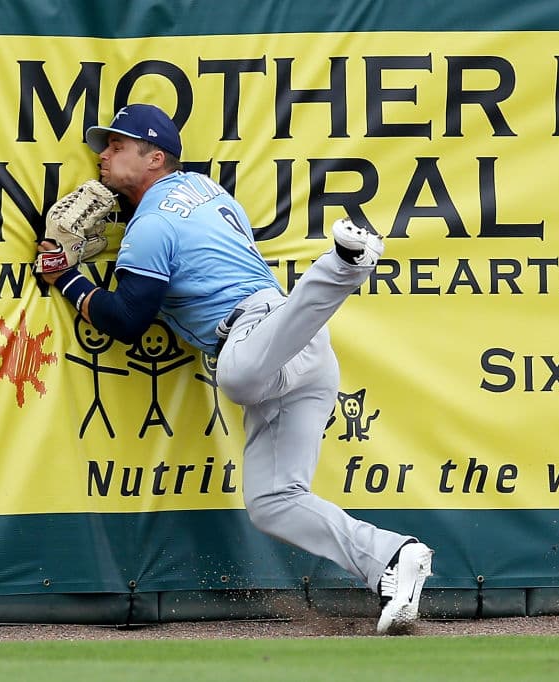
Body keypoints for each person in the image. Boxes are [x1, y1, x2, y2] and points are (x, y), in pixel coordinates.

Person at [37, 103, 433, 634]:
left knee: (237, 376)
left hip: (256, 335)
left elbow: (128, 319)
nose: (103, 156)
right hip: (299, 346)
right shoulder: (206, 190)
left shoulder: (152, 222)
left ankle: (341, 267)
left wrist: (67, 277)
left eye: (117, 145)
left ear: (155, 158)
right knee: (273, 503)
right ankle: (393, 557)